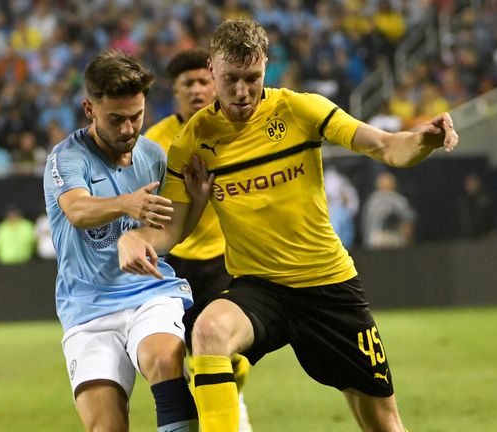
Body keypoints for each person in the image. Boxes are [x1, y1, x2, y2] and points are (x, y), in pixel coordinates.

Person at [117, 18, 458, 432]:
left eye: (252, 78)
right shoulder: (194, 138)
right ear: (212, 70)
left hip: (328, 286)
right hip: (260, 287)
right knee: (208, 330)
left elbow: (385, 146)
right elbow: (172, 226)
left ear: (265, 67)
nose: (242, 91)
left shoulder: (300, 109)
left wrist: (421, 140)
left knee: (383, 421)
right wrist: (138, 238)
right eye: (231, 79)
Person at [42, 49, 210, 432]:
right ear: (90, 109)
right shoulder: (66, 158)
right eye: (116, 119)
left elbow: (165, 236)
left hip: (149, 295)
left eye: (137, 116)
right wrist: (127, 205)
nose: (129, 129)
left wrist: (196, 205)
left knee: (165, 360)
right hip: (87, 310)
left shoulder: (152, 155)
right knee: (106, 426)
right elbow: (78, 210)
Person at [143, 47, 253, 432]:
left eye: (203, 81)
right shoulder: (155, 142)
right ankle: (216, 416)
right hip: (174, 265)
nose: (196, 90)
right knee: (188, 357)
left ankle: (230, 410)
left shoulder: (237, 130)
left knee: (227, 353)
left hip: (225, 260)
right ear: (175, 92)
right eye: (187, 84)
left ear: (216, 84)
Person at [361, 171, 417, 249]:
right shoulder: (372, 200)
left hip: (393, 237)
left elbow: (408, 220)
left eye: (388, 182)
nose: (385, 184)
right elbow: (367, 223)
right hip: (376, 237)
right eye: (383, 182)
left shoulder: (398, 199)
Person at [456, 172, 496, 239]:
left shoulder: (486, 198)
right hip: (467, 238)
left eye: (473, 183)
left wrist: (492, 231)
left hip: (484, 237)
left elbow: (492, 216)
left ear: (478, 184)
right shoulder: (462, 202)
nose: (471, 186)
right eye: (468, 184)